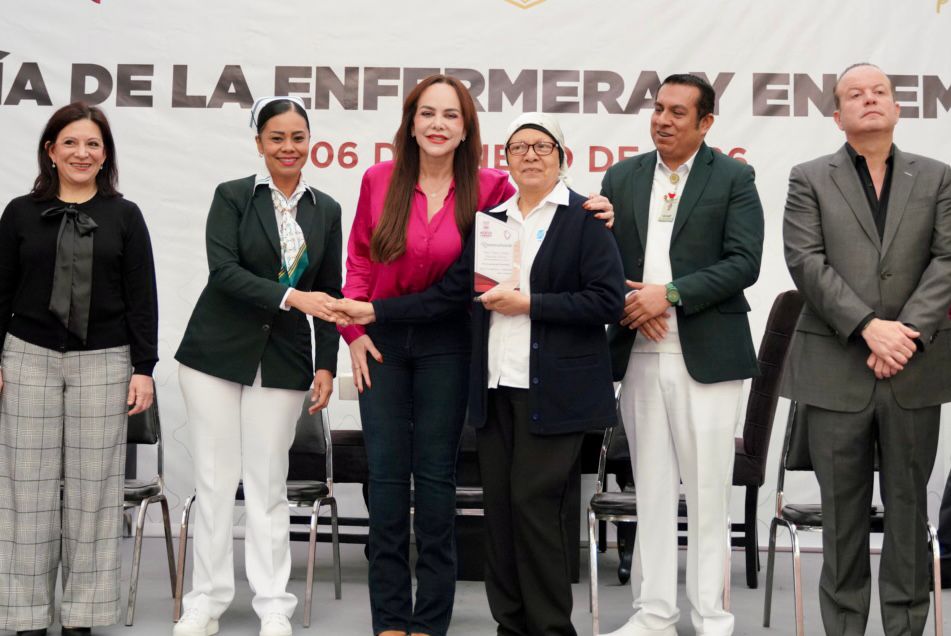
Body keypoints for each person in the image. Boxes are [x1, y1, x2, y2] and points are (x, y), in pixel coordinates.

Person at [340, 75, 614, 636]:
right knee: (388, 483)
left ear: (468, 131)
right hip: (382, 341)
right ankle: (391, 619)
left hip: (450, 344)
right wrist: (356, 329)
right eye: (427, 114)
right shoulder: (380, 179)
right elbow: (361, 261)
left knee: (438, 482)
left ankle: (432, 619)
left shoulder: (488, 189)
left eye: (451, 116)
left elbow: (543, 186)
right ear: (410, 121)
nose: (438, 124)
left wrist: (596, 203)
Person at [781, 63, 951, 636]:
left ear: (898, 108)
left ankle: (906, 627)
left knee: (908, 512)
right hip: (835, 369)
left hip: (914, 368)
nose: (869, 99)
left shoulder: (938, 177)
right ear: (837, 115)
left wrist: (903, 333)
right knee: (842, 522)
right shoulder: (808, 177)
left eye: (880, 91)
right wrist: (867, 329)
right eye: (855, 94)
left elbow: (947, 260)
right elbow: (806, 262)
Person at [599, 74, 764, 636]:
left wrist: (667, 294)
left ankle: (713, 618)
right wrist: (631, 301)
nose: (663, 120)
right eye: (657, 109)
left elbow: (745, 262)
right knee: (651, 488)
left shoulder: (735, 177)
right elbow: (603, 260)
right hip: (639, 351)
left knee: (708, 490)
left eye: (677, 112)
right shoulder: (622, 176)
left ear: (706, 123)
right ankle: (654, 615)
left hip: (708, 354)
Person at [173, 96, 343, 636]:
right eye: (277, 138)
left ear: (309, 141)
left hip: (286, 359)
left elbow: (332, 293)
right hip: (215, 355)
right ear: (259, 143)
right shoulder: (233, 197)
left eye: (297, 137)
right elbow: (223, 271)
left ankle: (274, 603)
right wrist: (293, 299)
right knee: (216, 480)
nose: (288, 148)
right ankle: (207, 600)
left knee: (269, 482)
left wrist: (325, 365)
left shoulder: (327, 208)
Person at [0, 102, 158, 636]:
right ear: (50, 150)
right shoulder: (20, 213)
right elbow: (0, 290)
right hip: (27, 357)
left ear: (105, 153)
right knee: (27, 491)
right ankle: (23, 615)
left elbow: (142, 298)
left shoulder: (125, 215)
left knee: (94, 492)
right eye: (70, 142)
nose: (81, 153)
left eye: (92, 144)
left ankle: (83, 617)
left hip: (104, 362)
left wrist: (144, 367)